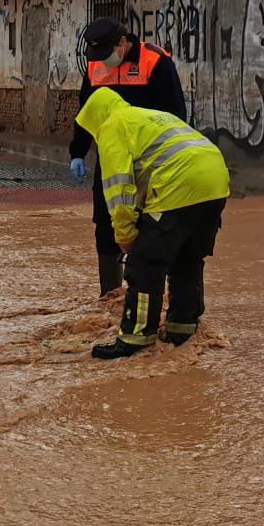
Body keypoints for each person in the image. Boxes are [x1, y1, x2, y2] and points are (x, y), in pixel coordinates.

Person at [74, 86, 229, 359]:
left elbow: (119, 192)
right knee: (187, 259)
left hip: (180, 185)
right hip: (216, 182)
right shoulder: (147, 117)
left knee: (145, 265)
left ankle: (136, 338)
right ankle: (183, 330)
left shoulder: (113, 127)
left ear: (95, 119)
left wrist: (125, 236)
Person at [68, 20, 186, 298]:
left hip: (150, 161)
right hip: (111, 158)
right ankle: (110, 298)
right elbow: (87, 112)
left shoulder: (155, 62)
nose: (101, 61)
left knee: (151, 224)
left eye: (106, 53)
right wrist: (77, 152)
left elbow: (175, 116)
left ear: (122, 43)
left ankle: (146, 292)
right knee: (106, 223)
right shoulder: (96, 65)